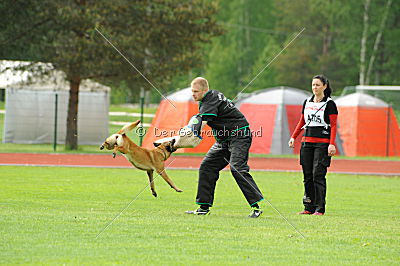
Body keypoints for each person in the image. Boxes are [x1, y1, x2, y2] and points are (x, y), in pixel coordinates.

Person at [185, 77, 264, 218]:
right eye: (192, 91)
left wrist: (187, 137)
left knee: (237, 168)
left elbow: (202, 121)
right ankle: (203, 207)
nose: (193, 94)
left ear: (205, 90)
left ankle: (257, 206)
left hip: (239, 136)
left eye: (196, 91)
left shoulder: (210, 98)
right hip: (224, 140)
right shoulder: (207, 99)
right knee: (207, 167)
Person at [288, 75, 338, 216]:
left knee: (318, 175)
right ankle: (308, 207)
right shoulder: (307, 102)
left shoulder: (330, 104)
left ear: (324, 86)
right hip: (307, 143)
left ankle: (319, 208)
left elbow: (333, 125)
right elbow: (302, 121)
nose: (314, 87)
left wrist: (331, 144)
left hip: (322, 144)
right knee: (307, 175)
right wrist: (293, 137)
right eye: (313, 85)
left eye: (317, 85)